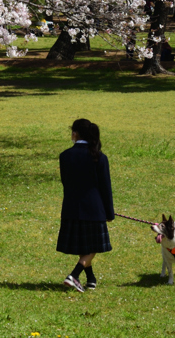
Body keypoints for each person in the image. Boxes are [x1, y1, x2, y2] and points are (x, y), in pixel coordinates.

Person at [57, 118, 114, 292]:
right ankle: (74, 275)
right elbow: (105, 187)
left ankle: (90, 279)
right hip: (94, 210)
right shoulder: (99, 157)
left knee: (85, 245)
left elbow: (65, 182)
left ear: (75, 134)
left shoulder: (65, 156)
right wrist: (109, 212)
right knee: (93, 247)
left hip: (71, 208)